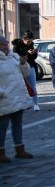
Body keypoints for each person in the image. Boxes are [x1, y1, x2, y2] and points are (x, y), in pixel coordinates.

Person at [0, 35, 34, 163]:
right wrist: (2, 93)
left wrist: (23, 64)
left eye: (6, 43)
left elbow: (25, 74)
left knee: (17, 124)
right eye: (3, 44)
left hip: (18, 97)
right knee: (2, 127)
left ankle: (20, 150)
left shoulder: (13, 56)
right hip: (4, 99)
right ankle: (1, 152)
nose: (6, 46)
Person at [12, 32, 39, 111]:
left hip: (30, 67)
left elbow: (33, 58)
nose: (29, 43)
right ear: (23, 39)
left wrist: (34, 53)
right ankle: (23, 104)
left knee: (33, 86)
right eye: (28, 41)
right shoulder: (16, 46)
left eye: (31, 41)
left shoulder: (31, 45)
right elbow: (15, 56)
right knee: (21, 87)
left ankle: (35, 104)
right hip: (19, 68)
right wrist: (26, 53)